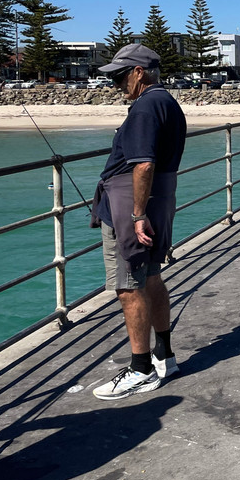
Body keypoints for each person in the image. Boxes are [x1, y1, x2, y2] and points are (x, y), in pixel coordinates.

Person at [90, 43, 187, 400]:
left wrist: (136, 214)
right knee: (151, 277)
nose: (116, 84)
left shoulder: (145, 106)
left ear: (139, 72)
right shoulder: (167, 103)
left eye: (119, 76)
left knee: (128, 285)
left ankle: (141, 368)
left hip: (132, 207)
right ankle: (165, 354)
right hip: (158, 199)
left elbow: (143, 163)